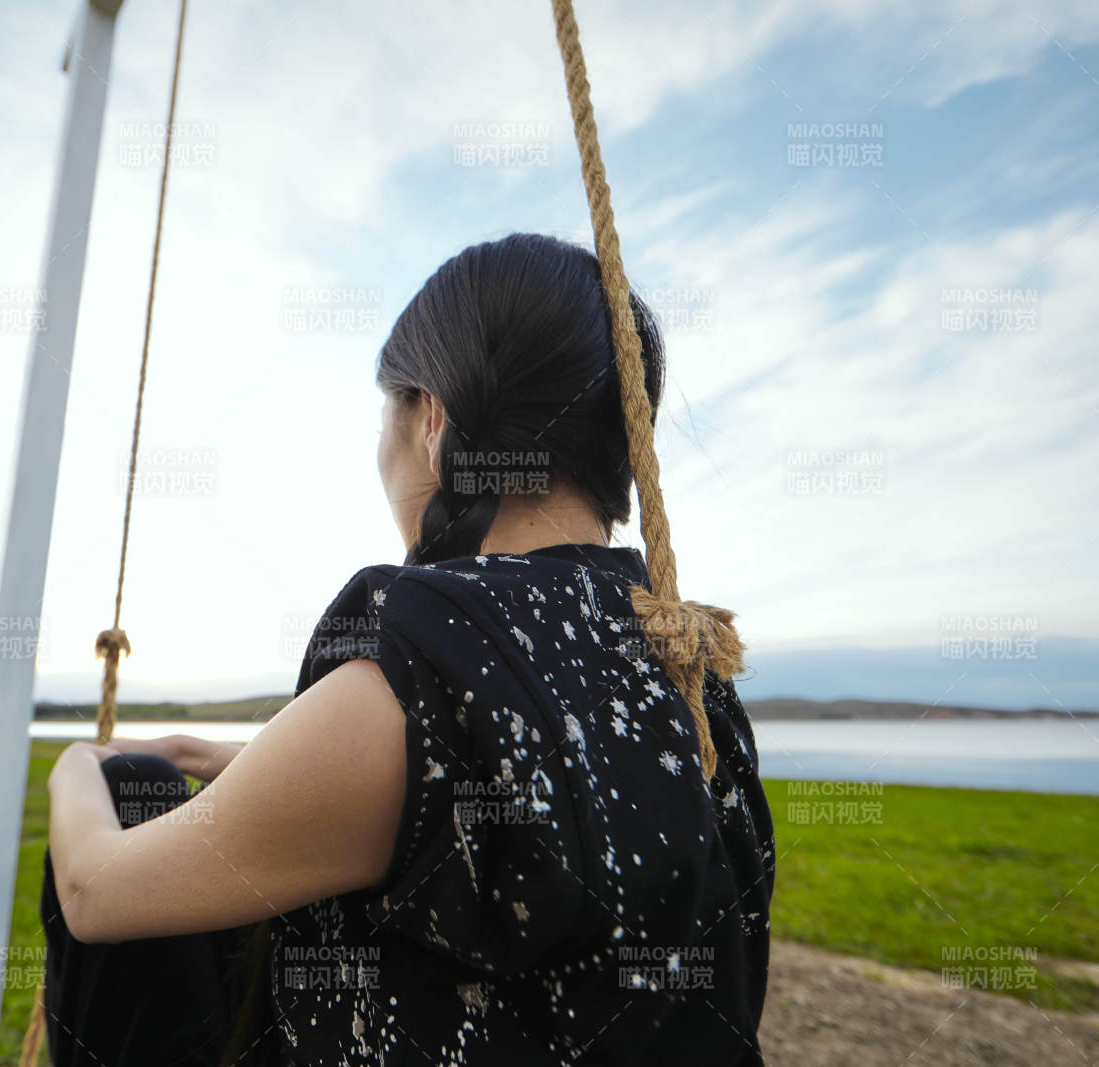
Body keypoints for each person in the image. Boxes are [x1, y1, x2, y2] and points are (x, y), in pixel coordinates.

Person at [40, 233, 775, 1065]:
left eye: (385, 416)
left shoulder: (432, 654)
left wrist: (75, 765)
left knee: (131, 787)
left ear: (432, 420)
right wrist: (227, 754)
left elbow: (93, 892)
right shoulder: (689, 663)